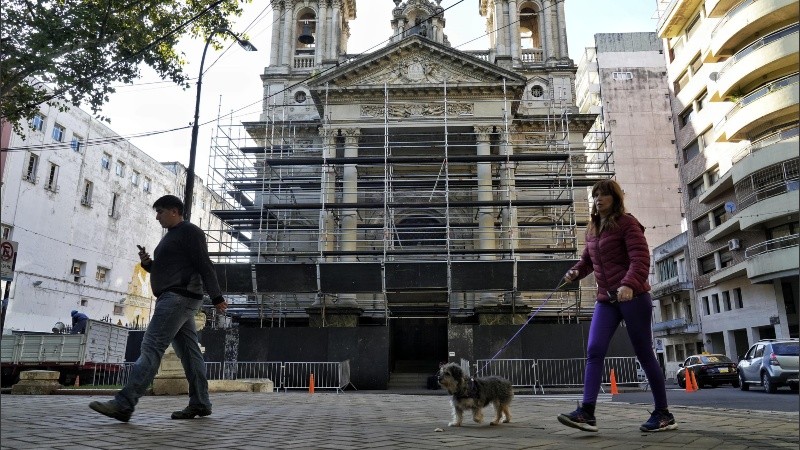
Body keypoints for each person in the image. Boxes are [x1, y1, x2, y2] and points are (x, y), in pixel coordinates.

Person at [90, 195, 227, 422]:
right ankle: (200, 402)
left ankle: (124, 404)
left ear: (174, 211)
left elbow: (205, 264)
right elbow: (168, 270)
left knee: (151, 347)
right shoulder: (172, 237)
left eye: (160, 211)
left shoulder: (190, 232)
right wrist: (147, 264)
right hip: (178, 297)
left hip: (178, 298)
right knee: (190, 354)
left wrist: (217, 296)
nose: (157, 217)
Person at [556, 180, 676, 433]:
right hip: (606, 300)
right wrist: (576, 272)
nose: (599, 199)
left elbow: (641, 258)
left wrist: (629, 284)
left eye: (605, 195)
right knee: (594, 349)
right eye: (596, 195)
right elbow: (587, 261)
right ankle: (586, 412)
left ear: (616, 198)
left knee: (644, 353)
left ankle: (663, 413)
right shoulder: (593, 229)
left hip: (633, 296)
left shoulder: (627, 223)